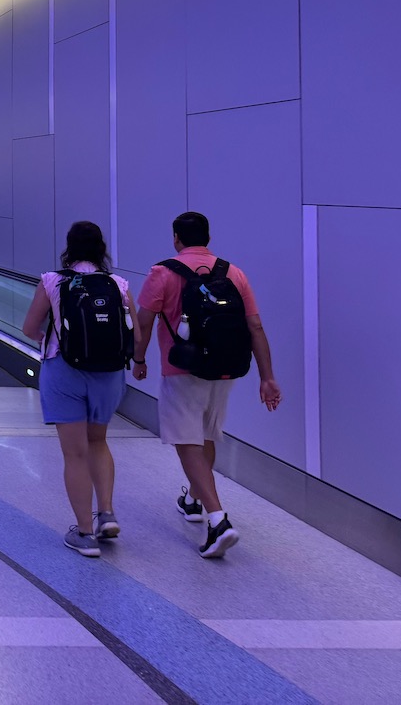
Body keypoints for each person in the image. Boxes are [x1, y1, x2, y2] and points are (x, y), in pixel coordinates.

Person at [133, 211, 282, 560]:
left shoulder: (162, 272)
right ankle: (194, 501)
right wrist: (267, 377)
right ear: (208, 238)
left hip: (182, 369)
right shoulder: (234, 272)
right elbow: (255, 327)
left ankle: (218, 520)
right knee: (206, 436)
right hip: (225, 369)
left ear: (175, 238)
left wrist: (138, 360)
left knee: (187, 442)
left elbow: (143, 320)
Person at [19, 221, 136, 558]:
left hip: (64, 371)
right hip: (110, 375)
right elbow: (135, 335)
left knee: (74, 454)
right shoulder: (118, 283)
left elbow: (29, 327)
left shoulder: (53, 281)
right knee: (99, 442)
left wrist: (50, 339)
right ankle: (107, 513)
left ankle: (84, 532)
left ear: (68, 248)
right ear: (101, 248)